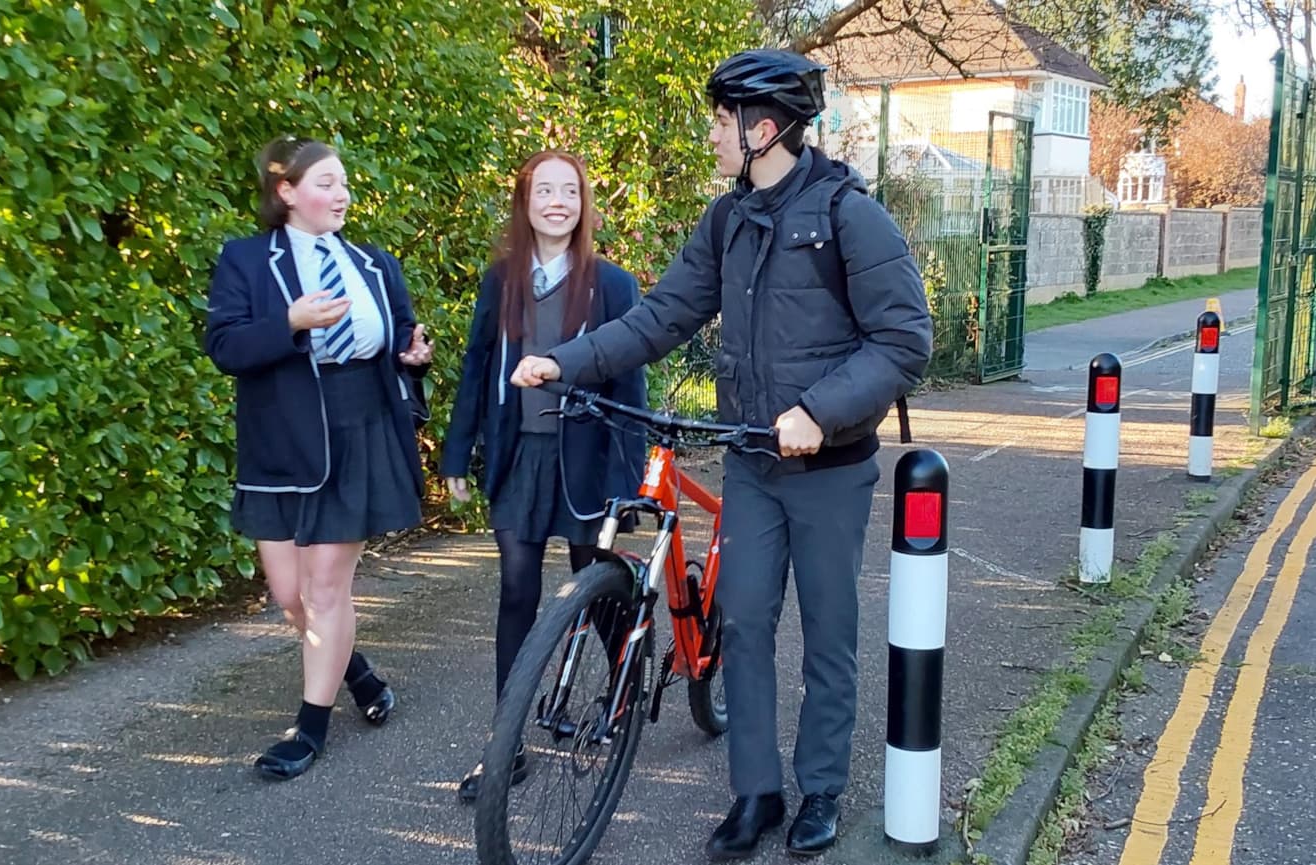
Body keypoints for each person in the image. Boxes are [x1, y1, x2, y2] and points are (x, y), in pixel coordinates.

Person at [511, 51, 932, 859]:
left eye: (720, 120)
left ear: (761, 128)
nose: (711, 133)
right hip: (750, 462)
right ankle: (757, 792)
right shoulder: (726, 221)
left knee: (829, 632)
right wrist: (567, 358)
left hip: (828, 469)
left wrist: (819, 409)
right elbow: (663, 315)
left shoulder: (851, 216)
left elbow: (904, 340)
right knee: (741, 621)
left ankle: (821, 791)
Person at [204, 135, 434, 781]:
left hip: (358, 427)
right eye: (327, 183)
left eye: (344, 182)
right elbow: (223, 347)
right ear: (286, 191)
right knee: (289, 593)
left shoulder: (373, 262)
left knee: (325, 587)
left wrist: (413, 356)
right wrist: (290, 322)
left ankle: (309, 729)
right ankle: (357, 674)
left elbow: (399, 339)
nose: (343, 194)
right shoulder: (247, 261)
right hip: (279, 439)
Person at [441, 151, 646, 803]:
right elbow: (477, 366)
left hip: (587, 461)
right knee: (516, 591)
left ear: (583, 203)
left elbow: (629, 381)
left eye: (569, 190)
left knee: (599, 581)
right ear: (525, 202)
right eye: (543, 190)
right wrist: (455, 457)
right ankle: (507, 750)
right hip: (521, 457)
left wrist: (630, 472)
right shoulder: (501, 279)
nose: (556, 200)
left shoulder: (612, 284)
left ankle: (623, 690)